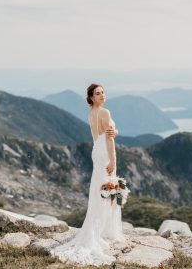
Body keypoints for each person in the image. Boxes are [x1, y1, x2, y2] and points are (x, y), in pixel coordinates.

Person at [51, 83, 126, 266]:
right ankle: (102, 231)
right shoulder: (105, 112)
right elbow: (108, 139)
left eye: (103, 92)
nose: (102, 96)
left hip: (96, 151)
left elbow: (104, 134)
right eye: (98, 93)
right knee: (107, 191)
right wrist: (113, 161)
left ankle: (97, 230)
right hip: (105, 152)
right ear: (91, 97)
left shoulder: (91, 113)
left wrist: (115, 131)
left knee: (98, 191)